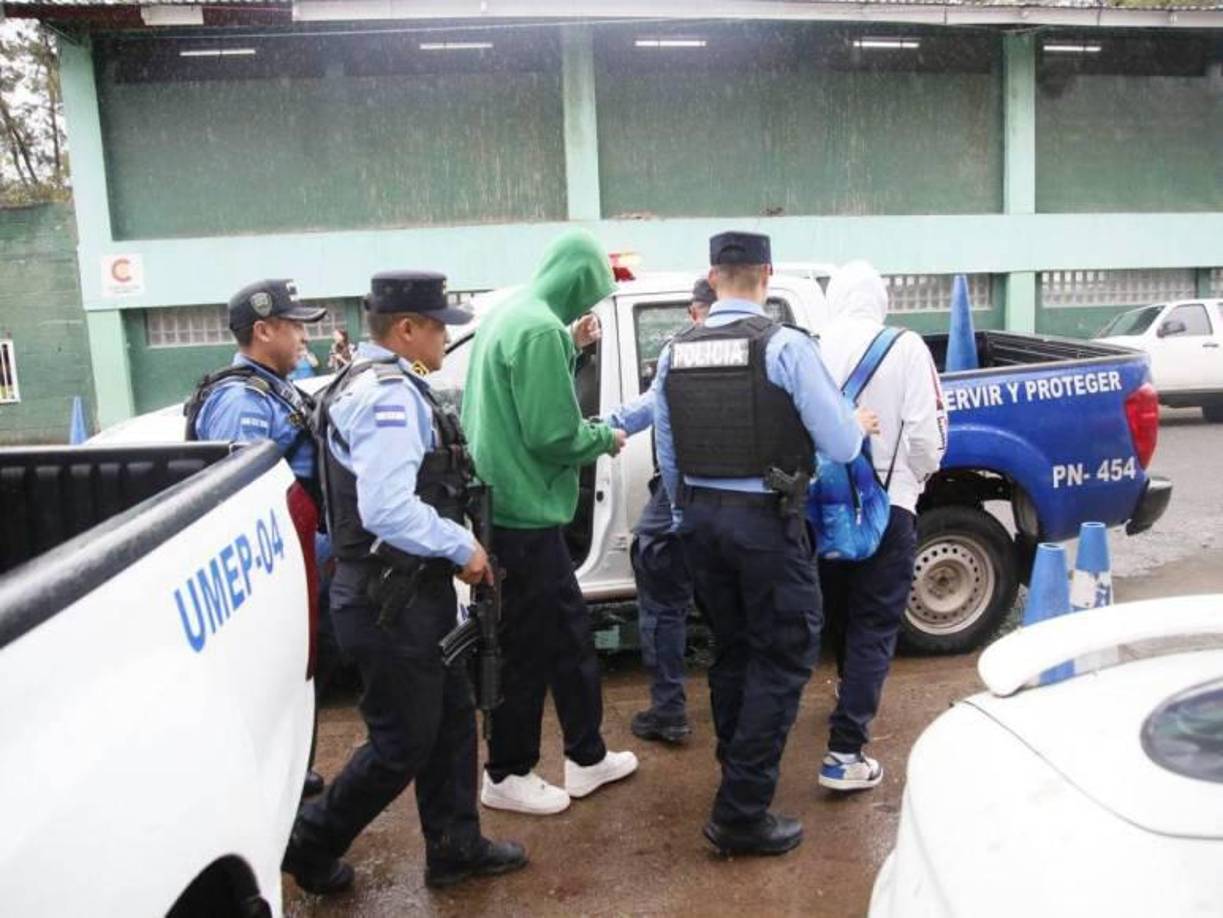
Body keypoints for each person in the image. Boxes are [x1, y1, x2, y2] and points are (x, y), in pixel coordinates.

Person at [281, 271, 527, 893]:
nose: (447, 335)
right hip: (390, 599)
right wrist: (462, 544)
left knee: (449, 721)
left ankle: (455, 847)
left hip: (407, 593)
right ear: (407, 330)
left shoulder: (377, 383)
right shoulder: (386, 398)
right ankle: (310, 844)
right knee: (401, 742)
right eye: (439, 324)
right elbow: (386, 509)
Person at [653, 231, 879, 856]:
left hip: (701, 521)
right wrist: (855, 425)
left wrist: (684, 514)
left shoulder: (676, 351)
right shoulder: (784, 347)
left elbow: (667, 452)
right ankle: (742, 812)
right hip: (764, 524)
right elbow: (838, 445)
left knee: (732, 652)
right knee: (783, 655)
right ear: (767, 275)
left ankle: (737, 772)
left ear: (712, 276)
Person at [461, 229, 638, 816]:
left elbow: (522, 387)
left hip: (509, 508)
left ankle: (586, 756)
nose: (591, 306)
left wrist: (570, 342)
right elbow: (554, 434)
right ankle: (507, 771)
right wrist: (606, 437)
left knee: (568, 637)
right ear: (577, 280)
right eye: (592, 293)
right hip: (525, 516)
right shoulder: (537, 329)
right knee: (527, 648)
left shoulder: (517, 315)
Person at [184, 278, 328, 798]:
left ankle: (294, 777)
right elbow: (239, 503)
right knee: (275, 685)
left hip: (299, 562)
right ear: (263, 330)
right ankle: (279, 802)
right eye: (293, 327)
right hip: (271, 575)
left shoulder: (273, 387)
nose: (302, 339)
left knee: (299, 680)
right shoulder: (241, 399)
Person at [811, 260, 948, 791]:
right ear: (879, 298)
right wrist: (916, 478)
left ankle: (844, 694)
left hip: (823, 510)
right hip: (887, 507)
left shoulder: (810, 346)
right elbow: (926, 437)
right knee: (874, 624)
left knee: (837, 612)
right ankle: (845, 752)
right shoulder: (906, 346)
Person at [605, 278, 715, 744]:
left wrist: (674, 516)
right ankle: (749, 705)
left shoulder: (683, 353)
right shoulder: (770, 346)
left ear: (695, 311)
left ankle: (669, 709)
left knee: (662, 598)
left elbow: (655, 418)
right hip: (747, 503)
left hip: (684, 496)